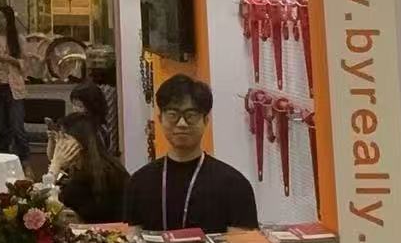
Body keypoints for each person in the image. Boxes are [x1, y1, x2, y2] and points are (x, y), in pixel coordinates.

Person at [126, 74, 258, 231]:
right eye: (173, 115)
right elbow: (131, 240)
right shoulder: (139, 183)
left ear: (206, 120)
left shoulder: (235, 185)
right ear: (160, 119)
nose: (182, 123)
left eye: (191, 115)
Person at [52, 111, 129, 222]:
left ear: (80, 140)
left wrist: (55, 166)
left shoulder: (103, 175)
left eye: (64, 138)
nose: (59, 144)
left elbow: (48, 210)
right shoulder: (111, 166)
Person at [0, 4, 30, 167]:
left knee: (17, 126)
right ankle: (2, 160)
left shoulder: (18, 39)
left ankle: (24, 160)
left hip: (13, 88)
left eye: (2, 17)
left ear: (9, 19)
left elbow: (26, 65)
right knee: (0, 127)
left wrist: (10, 59)